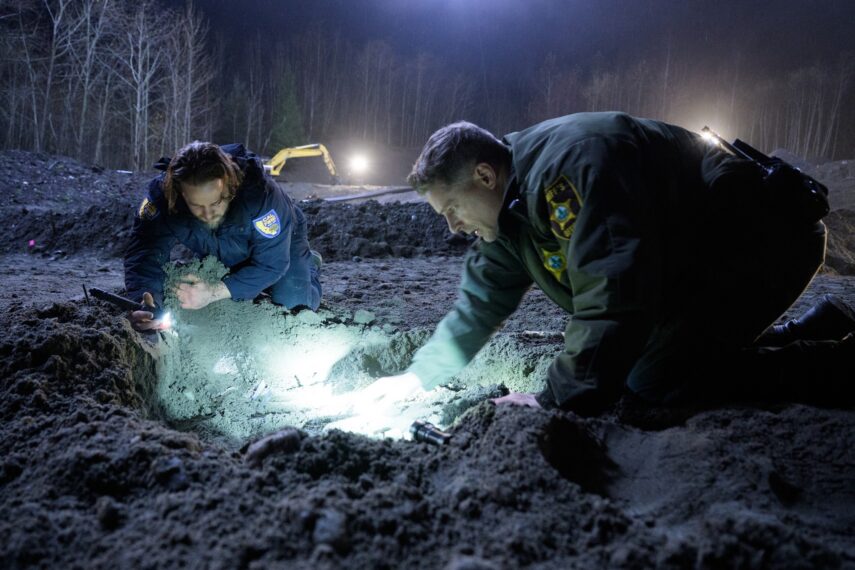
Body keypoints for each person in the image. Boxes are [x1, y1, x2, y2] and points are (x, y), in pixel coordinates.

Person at [363, 112, 855, 414]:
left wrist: (550, 400)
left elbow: (613, 295)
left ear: (485, 175)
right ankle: (815, 327)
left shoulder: (570, 169)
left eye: (451, 210)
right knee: (647, 357)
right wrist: (416, 377)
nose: (453, 228)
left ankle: (833, 366)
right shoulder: (507, 213)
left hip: (763, 244)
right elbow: (479, 304)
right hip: (699, 266)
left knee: (653, 379)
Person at [124, 141, 321, 331]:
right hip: (217, 247)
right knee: (194, 297)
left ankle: (308, 265)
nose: (208, 215)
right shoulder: (162, 200)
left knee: (295, 306)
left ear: (230, 187)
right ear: (180, 195)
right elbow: (144, 255)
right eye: (197, 206)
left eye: (215, 203)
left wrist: (212, 292)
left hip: (281, 244)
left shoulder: (262, 199)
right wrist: (144, 302)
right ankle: (239, 282)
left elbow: (272, 263)